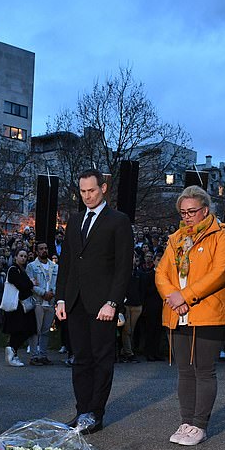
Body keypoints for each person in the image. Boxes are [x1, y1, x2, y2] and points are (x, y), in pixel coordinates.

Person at [155, 186, 225, 446]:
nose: (187, 216)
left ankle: (200, 424)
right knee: (184, 370)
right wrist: (173, 296)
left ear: (205, 210)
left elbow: (221, 271)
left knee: (203, 370)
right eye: (183, 212)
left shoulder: (221, 235)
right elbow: (161, 274)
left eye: (192, 211)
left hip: (208, 313)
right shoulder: (175, 238)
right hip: (177, 312)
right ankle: (186, 421)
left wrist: (186, 296)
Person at [55, 169, 134, 433]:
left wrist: (113, 302)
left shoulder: (118, 221)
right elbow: (66, 264)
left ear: (103, 188)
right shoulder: (75, 221)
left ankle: (95, 415)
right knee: (81, 360)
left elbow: (124, 267)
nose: (87, 196)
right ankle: (81, 412)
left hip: (103, 305)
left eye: (92, 190)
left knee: (102, 360)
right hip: (75, 302)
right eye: (83, 191)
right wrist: (61, 299)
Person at [3, 248, 37, 367]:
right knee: (19, 330)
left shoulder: (22, 270)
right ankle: (12, 350)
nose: (23, 258)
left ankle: (13, 351)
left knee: (27, 329)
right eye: (21, 256)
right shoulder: (13, 269)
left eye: (25, 256)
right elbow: (22, 285)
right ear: (16, 257)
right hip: (17, 306)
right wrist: (31, 282)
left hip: (23, 306)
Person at [26, 242, 58, 365]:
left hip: (50, 302)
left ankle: (43, 355)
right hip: (38, 302)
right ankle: (34, 356)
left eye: (45, 248)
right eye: (41, 249)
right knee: (36, 330)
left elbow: (57, 283)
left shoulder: (54, 266)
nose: (44, 250)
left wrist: (52, 293)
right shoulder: (31, 266)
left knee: (46, 331)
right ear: (37, 251)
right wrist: (43, 292)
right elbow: (31, 285)